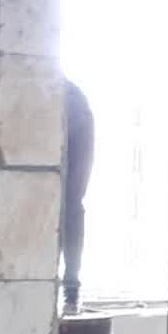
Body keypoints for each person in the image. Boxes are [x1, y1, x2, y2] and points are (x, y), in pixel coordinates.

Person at [62, 79, 95, 315]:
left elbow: (74, 197)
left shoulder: (73, 100)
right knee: (71, 207)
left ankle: (71, 293)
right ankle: (70, 293)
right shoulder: (72, 98)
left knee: (71, 206)